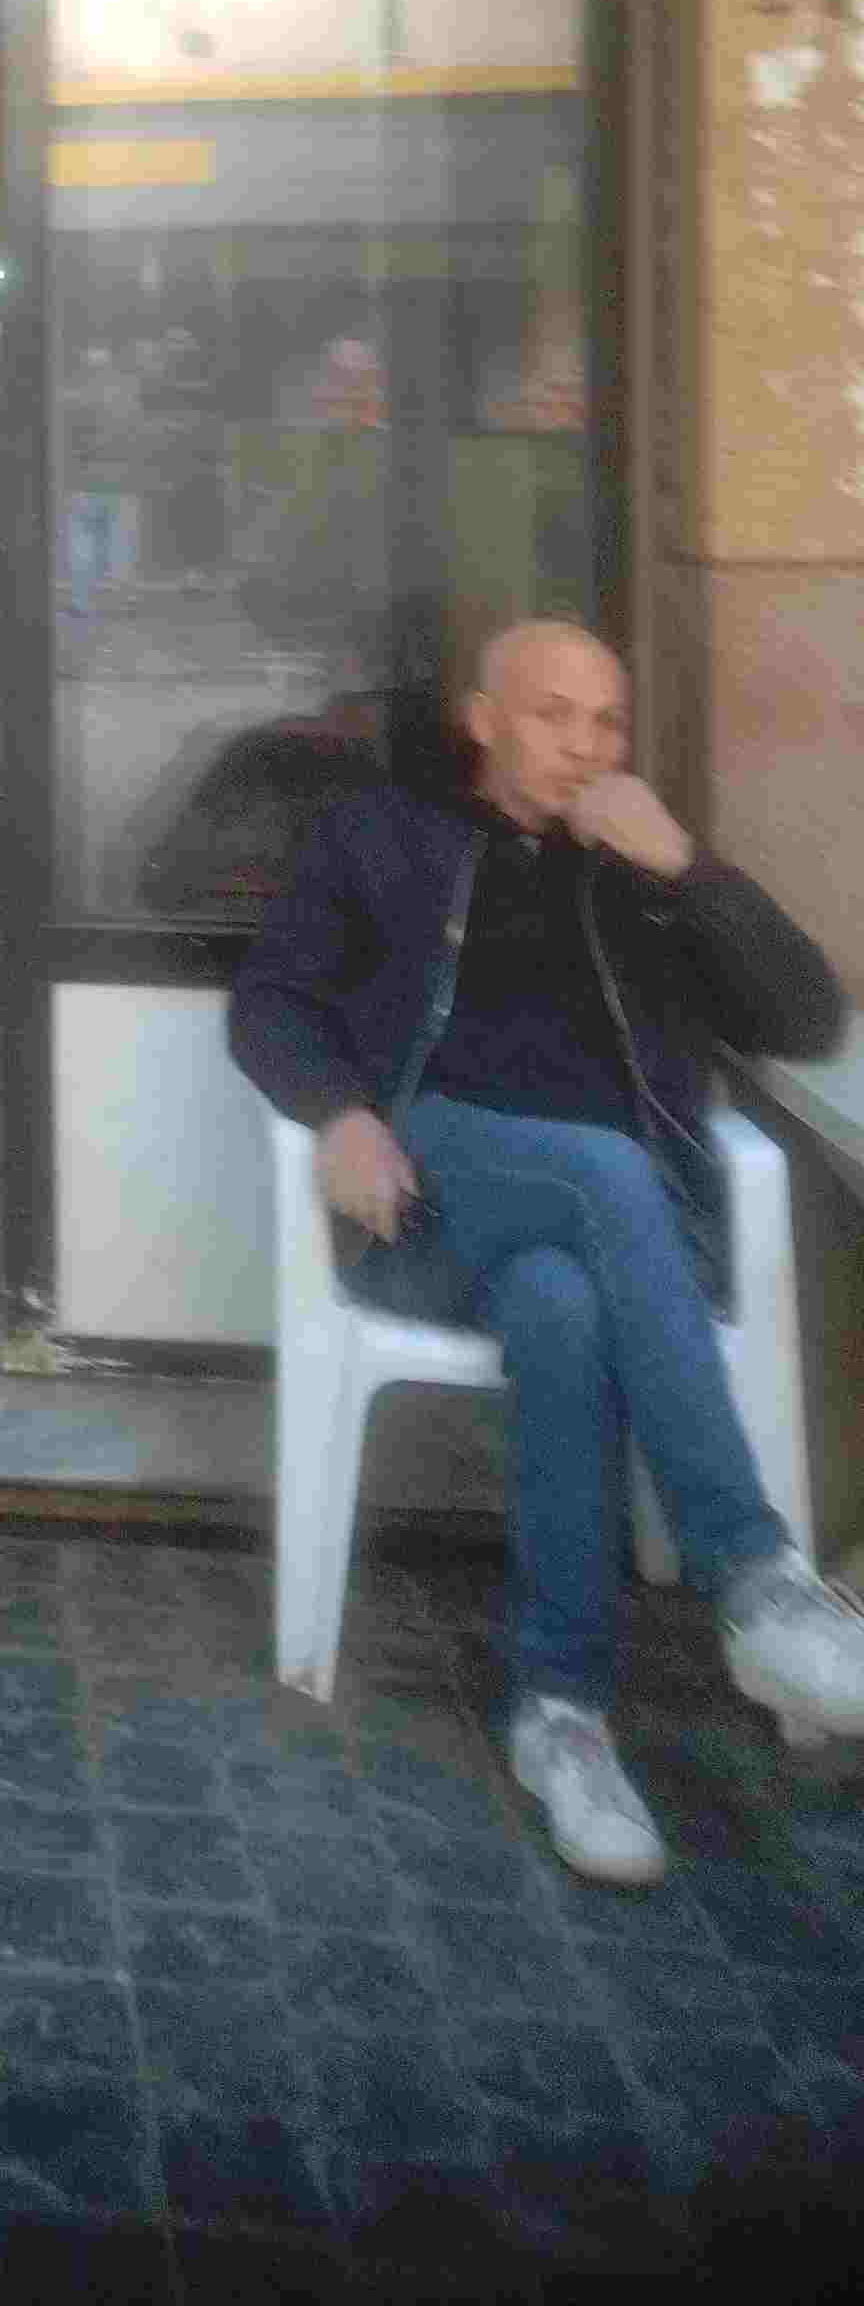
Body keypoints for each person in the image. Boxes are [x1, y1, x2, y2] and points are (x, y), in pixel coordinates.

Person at [228, 618, 864, 1883]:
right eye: (552, 714)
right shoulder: (383, 837)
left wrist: (685, 865)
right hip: (426, 1201)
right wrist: (340, 1113)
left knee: (563, 1303)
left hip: (608, 1244)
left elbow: (808, 1018)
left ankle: (559, 1715)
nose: (585, 745)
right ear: (483, 720)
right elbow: (271, 1001)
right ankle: (752, 1573)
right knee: (602, 1169)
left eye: (606, 722)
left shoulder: (638, 870)